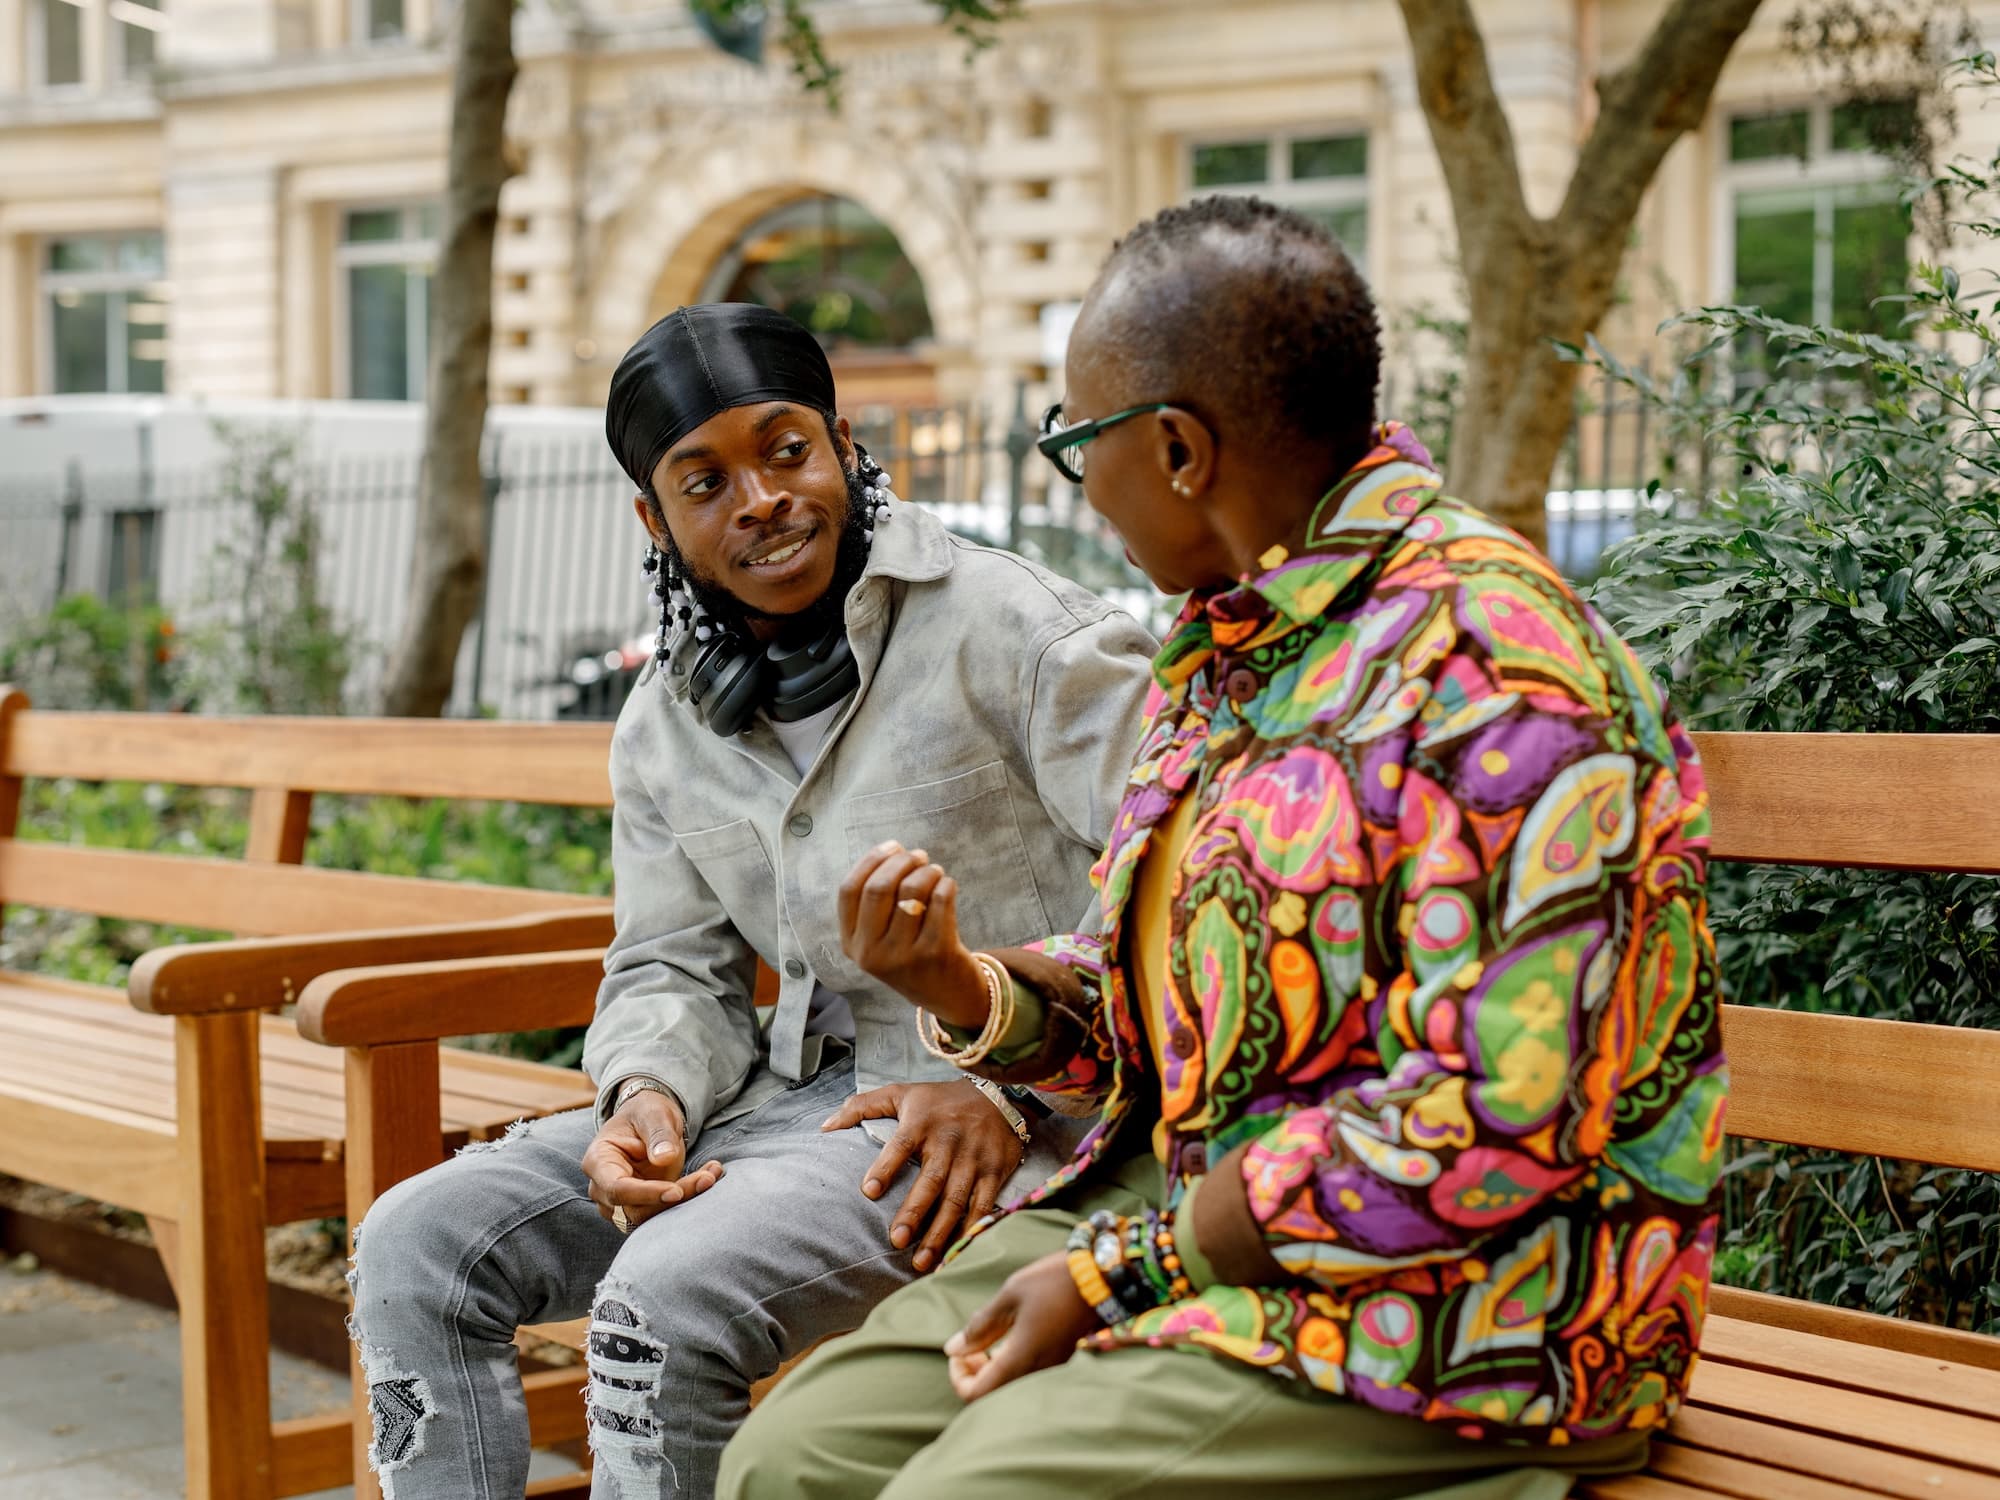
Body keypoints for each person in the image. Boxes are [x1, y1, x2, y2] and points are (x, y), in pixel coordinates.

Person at [720, 197, 1726, 1500]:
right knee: (791, 1464)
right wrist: (963, 988)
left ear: (1181, 449)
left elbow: (1491, 1120)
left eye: (1082, 444)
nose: (1078, 483)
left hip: (1481, 1314)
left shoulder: (1498, 672)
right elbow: (1189, 1013)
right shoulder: (1242, 643)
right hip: (1202, 1216)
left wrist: (1117, 1273)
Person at [346, 302, 1157, 1500]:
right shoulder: (665, 717)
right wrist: (645, 1098)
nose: (761, 499)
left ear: (840, 444)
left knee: (658, 1303)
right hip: (770, 1108)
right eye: (704, 480)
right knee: (414, 1246)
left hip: (1003, 1122)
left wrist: (996, 1070)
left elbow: (1172, 897)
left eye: (786, 451)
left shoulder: (1024, 633)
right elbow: (670, 966)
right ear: (654, 518)